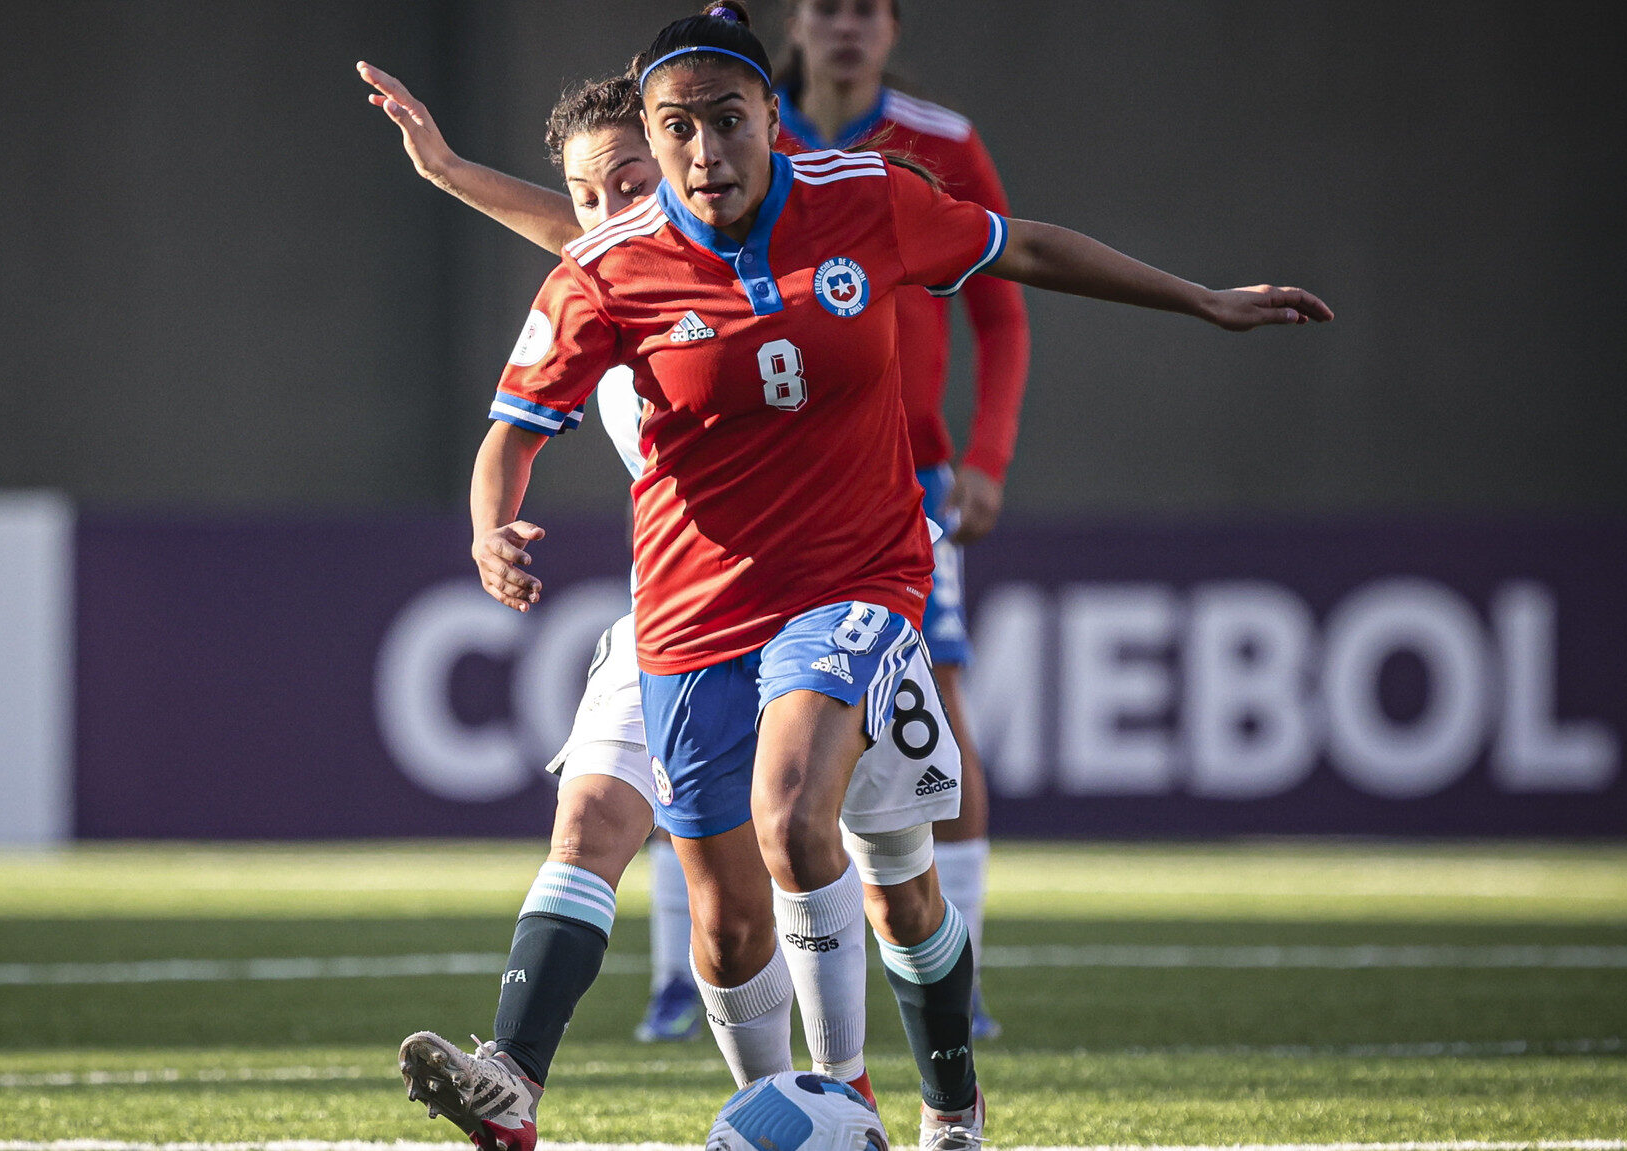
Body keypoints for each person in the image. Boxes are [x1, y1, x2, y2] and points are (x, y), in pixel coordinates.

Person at [453, 5, 1328, 1149]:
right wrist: (490, 529)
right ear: (653, 139)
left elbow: (1025, 248)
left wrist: (1198, 297)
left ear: (775, 113)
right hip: (691, 612)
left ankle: (875, 1098)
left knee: (795, 810)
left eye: (727, 119)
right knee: (723, 919)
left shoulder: (865, 197)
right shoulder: (607, 273)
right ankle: (782, 1110)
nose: (705, 151)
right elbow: (513, 431)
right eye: (679, 130)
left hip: (858, 579)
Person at [361, 64, 970, 1149]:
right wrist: (447, 170)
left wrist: (459, 174)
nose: (600, 216)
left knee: (897, 891)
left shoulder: (753, 244)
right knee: (609, 832)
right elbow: (579, 230)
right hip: (682, 616)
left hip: (832, 601)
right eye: (587, 198)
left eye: (632, 181)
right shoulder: (611, 276)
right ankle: (514, 1077)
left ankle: (919, 1102)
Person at [773, 0, 1027, 1040]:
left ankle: (956, 976)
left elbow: (1002, 302)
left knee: (940, 712)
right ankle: (687, 973)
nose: (844, 27)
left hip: (903, 476)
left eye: (864, 8)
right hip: (766, 475)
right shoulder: (737, 125)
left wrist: (986, 456)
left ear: (890, 25)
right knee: (714, 722)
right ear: (795, 19)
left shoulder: (940, 142)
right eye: (825, 6)